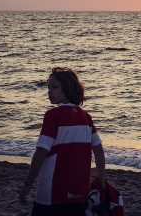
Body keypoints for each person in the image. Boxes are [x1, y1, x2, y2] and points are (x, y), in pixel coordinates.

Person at [19, 67, 106, 216]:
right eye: (48, 88)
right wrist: (102, 182)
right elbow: (98, 151)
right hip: (79, 191)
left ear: (67, 89)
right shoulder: (86, 118)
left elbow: (41, 152)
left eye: (54, 87)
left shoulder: (53, 116)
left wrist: (27, 184)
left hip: (52, 193)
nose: (49, 92)